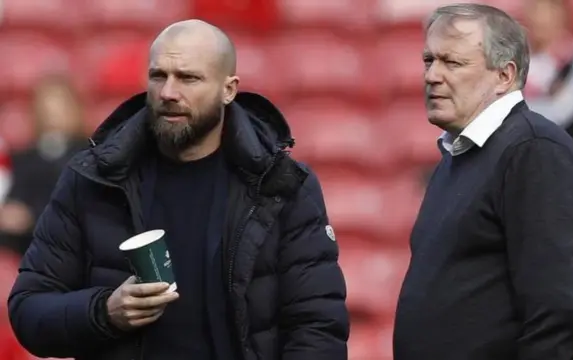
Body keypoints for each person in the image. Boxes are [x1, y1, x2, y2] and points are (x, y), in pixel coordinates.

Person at [8, 20, 349, 360]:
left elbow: (317, 328)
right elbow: (29, 309)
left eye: (189, 78)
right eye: (158, 76)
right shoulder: (92, 179)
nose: (168, 92)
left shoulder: (281, 185)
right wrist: (103, 312)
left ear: (228, 90)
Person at [393, 4, 573, 360]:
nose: (432, 76)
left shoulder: (534, 152)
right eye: (429, 61)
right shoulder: (458, 157)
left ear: (504, 75)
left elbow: (553, 313)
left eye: (452, 63)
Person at [0, 75, 87, 256]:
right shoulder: (22, 159)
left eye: (59, 107)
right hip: (26, 249)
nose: (52, 115)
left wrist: (31, 216)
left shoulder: (89, 155)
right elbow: (13, 203)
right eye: (46, 108)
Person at [522, 0, 573, 143]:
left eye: (550, 9)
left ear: (565, 15)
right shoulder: (512, 60)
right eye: (536, 8)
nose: (541, 17)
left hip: (560, 156)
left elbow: (559, 113)